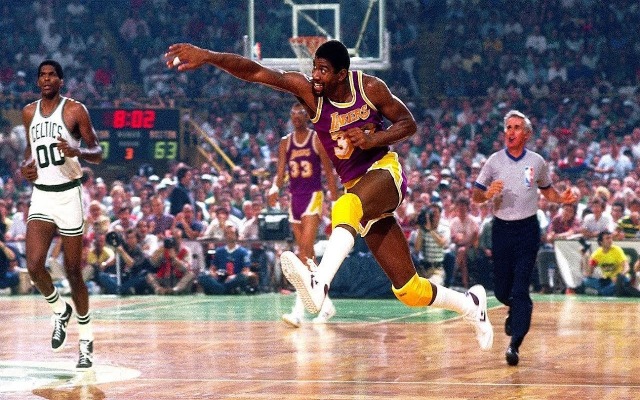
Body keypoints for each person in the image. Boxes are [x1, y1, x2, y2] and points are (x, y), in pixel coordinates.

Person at [166, 40, 493, 351]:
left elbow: (408, 123)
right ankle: (471, 304)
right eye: (314, 68)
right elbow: (255, 71)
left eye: (323, 70)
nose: (316, 76)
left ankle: (319, 283)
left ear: (341, 74)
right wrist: (208, 56)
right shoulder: (309, 92)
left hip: (384, 173)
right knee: (409, 290)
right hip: (358, 191)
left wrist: (374, 139)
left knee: (345, 205)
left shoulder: (369, 88)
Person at [472, 109, 577, 366]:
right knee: (502, 290)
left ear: (527, 134)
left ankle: (515, 344)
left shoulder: (537, 161)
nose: (511, 132)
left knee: (520, 288)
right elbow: (476, 195)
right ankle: (515, 309)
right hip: (501, 229)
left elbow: (548, 191)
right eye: (508, 127)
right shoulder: (494, 161)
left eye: (517, 127)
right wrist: (487, 194)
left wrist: (561, 199)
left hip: (528, 230)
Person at [20, 59, 103, 369]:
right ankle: (59, 310)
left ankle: (86, 341)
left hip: (69, 194)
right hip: (42, 194)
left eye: (52, 74)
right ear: (37, 80)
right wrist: (25, 167)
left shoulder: (75, 110)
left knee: (73, 272)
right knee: (34, 266)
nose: (46, 79)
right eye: (42, 74)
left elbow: (98, 152)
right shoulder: (28, 112)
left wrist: (78, 151)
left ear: (61, 80)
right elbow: (30, 151)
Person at [268, 102, 338, 327]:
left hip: (313, 197)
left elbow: (329, 172)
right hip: (294, 198)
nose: (296, 116)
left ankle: (298, 311)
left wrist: (335, 201)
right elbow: (280, 173)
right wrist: (274, 188)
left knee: (303, 254)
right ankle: (326, 305)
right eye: (293, 112)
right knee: (309, 259)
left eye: (300, 112)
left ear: (308, 116)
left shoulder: (316, 139)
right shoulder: (285, 142)